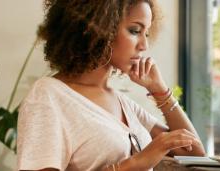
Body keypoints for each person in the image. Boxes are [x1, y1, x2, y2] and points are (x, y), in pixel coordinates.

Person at [16, 0, 205, 170]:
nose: (144, 45)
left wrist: (160, 91)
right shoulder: (48, 95)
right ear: (100, 28)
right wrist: (136, 163)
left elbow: (194, 153)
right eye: (135, 31)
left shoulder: (122, 103)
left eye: (146, 33)